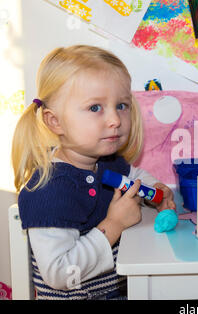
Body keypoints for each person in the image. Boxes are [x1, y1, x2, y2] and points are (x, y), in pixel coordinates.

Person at [11, 45, 176, 300]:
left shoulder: (106, 162)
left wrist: (157, 191)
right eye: (95, 108)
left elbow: (138, 176)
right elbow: (60, 274)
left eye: (121, 105)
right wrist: (114, 224)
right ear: (54, 121)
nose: (116, 120)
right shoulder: (49, 190)